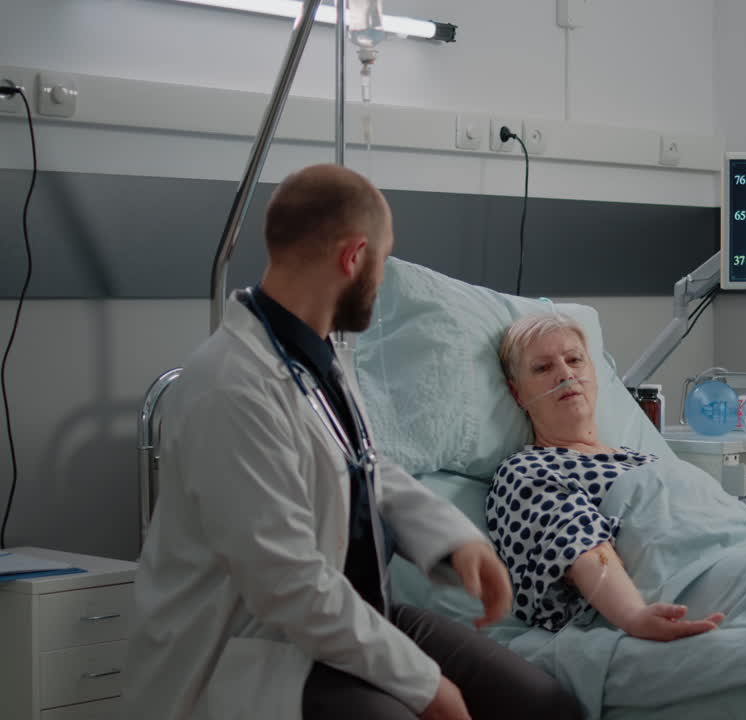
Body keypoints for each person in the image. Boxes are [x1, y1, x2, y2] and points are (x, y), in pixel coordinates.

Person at [125, 165, 581, 720]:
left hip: (356, 614)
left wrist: (457, 539)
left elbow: (364, 463)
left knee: (543, 704)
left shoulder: (314, 351)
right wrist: (425, 686)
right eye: (382, 261)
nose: (381, 279)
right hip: (258, 645)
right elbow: (287, 583)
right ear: (353, 257)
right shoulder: (230, 388)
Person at [487, 313, 746, 640]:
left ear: (592, 371)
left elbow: (703, 517)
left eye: (575, 360)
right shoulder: (529, 469)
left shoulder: (643, 457)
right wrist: (634, 616)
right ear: (518, 393)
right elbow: (580, 546)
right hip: (701, 580)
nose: (565, 374)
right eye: (543, 367)